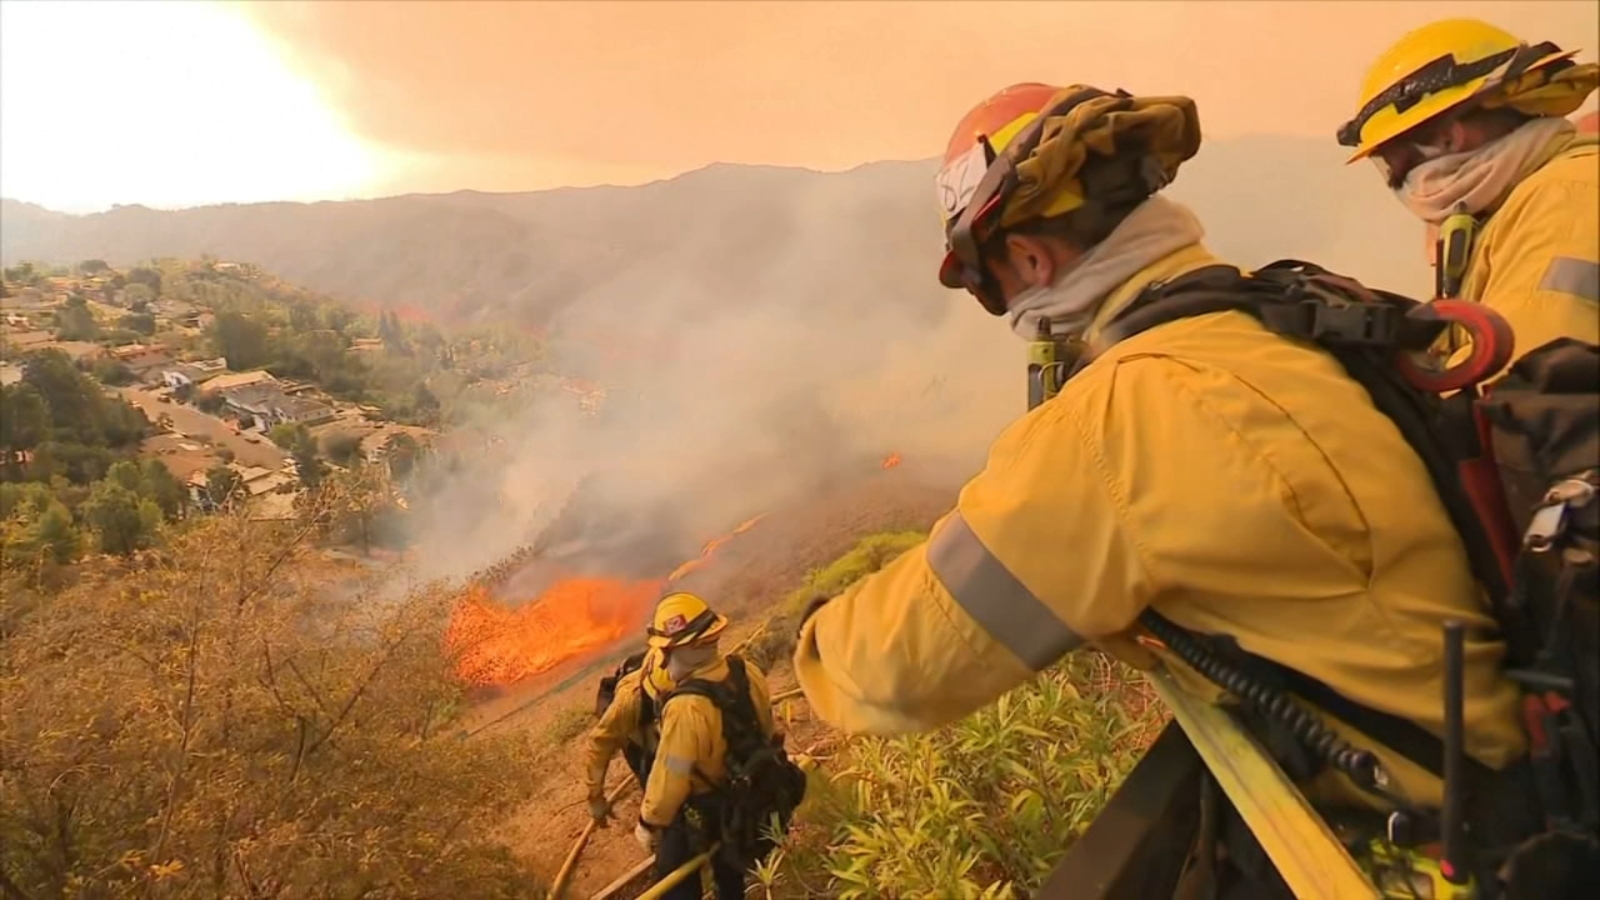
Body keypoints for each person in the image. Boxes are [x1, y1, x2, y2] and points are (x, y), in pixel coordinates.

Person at [791, 82, 1542, 891]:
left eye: (987, 281)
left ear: (1032, 258)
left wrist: (815, 638)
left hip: (1435, 859)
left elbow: (896, 668)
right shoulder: (1281, 315)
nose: (1001, 302)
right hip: (1522, 788)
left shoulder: (1126, 416)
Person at [1337, 18, 1599, 367]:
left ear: (1446, 137)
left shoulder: (1566, 194)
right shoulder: (1508, 208)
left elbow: (1530, 380)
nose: (1401, 182)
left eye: (1396, 162)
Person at [634, 592, 776, 900]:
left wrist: (648, 822)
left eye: (665, 650)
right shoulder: (746, 671)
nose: (662, 659)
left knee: (674, 878)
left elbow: (672, 773)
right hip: (753, 795)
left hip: (711, 808)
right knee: (731, 877)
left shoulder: (686, 707)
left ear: (685, 649)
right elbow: (767, 726)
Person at [584, 645, 673, 824]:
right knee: (651, 772)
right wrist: (596, 798)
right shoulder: (630, 701)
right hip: (639, 725)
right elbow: (598, 744)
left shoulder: (695, 678)